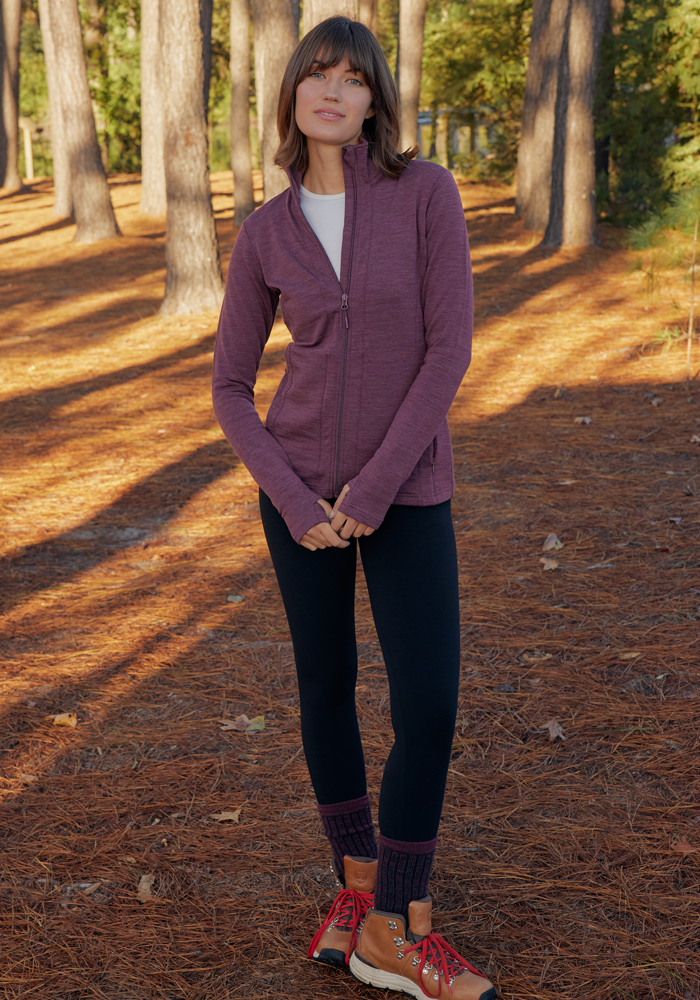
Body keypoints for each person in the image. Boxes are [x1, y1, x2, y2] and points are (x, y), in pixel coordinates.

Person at [212, 16, 496, 1000]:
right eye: (316, 75)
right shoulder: (264, 232)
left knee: (429, 705)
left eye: (353, 78)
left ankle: (390, 922)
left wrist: (370, 490)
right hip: (296, 501)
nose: (333, 90)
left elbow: (446, 353)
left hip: (405, 489)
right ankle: (362, 889)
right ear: (291, 97)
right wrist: (294, 501)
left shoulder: (425, 195)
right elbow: (229, 389)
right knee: (325, 688)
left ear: (375, 100)